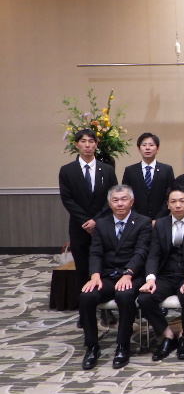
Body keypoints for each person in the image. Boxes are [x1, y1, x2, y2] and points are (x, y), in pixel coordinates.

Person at [77, 184, 152, 369]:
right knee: (86, 297)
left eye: (124, 199)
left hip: (133, 275)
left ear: (132, 201)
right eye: (115, 200)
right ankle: (92, 346)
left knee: (125, 296)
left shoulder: (143, 222)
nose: (120, 204)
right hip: (107, 276)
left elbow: (141, 252)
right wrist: (95, 276)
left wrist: (128, 273)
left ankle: (122, 345)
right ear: (109, 203)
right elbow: (95, 252)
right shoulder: (101, 224)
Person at [138, 185, 184, 361]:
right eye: (173, 201)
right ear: (168, 204)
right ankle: (168, 336)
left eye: (182, 201)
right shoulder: (160, 224)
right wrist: (151, 278)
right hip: (166, 275)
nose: (178, 205)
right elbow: (154, 254)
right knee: (145, 298)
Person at [59, 129, 118, 315]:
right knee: (83, 268)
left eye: (91, 141)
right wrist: (85, 221)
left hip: (104, 226)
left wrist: (96, 220)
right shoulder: (67, 170)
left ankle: (106, 310)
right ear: (76, 144)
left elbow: (113, 197)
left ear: (96, 144)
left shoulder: (107, 170)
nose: (87, 145)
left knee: (105, 266)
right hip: (79, 227)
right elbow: (67, 199)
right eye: (83, 141)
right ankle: (85, 311)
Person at [122, 132, 175, 222]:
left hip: (161, 221)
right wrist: (138, 218)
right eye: (144, 145)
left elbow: (170, 195)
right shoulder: (130, 170)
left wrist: (158, 219)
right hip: (135, 220)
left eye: (151, 145)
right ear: (139, 149)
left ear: (157, 148)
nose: (147, 148)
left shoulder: (166, 170)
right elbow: (126, 195)